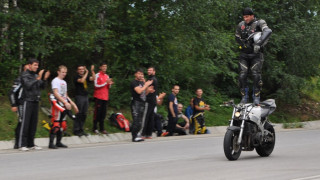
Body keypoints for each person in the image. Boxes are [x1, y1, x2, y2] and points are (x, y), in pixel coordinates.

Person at [235, 7, 272, 105]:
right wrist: (243, 43)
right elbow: (237, 36)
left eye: (247, 17)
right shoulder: (241, 25)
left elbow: (268, 31)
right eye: (244, 17)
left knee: (256, 74)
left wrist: (258, 44)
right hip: (244, 54)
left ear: (252, 16)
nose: (245, 19)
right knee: (242, 74)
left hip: (256, 54)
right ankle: (244, 97)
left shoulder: (260, 22)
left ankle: (256, 97)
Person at [19, 58, 50, 151]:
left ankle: (31, 143)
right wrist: (37, 78)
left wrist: (44, 79)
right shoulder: (25, 74)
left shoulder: (36, 75)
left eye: (37, 65)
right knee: (26, 123)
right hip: (27, 101)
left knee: (33, 123)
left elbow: (42, 87)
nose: (36, 67)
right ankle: (22, 144)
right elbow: (28, 85)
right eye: (35, 65)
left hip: (36, 101)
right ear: (29, 65)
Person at [49, 65, 78, 149]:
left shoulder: (64, 82)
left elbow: (65, 95)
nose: (64, 74)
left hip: (64, 103)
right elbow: (56, 93)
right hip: (57, 103)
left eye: (65, 72)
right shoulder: (55, 81)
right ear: (58, 72)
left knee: (63, 124)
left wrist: (73, 104)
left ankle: (58, 142)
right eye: (62, 72)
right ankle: (51, 143)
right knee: (56, 124)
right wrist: (64, 102)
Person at [130, 68, 154, 142]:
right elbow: (139, 91)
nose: (141, 75)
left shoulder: (142, 83)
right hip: (136, 103)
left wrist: (148, 90)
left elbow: (144, 93)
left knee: (140, 121)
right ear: (135, 74)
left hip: (142, 102)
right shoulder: (134, 82)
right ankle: (134, 137)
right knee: (136, 120)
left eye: (142, 74)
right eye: (139, 74)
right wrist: (146, 84)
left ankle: (137, 134)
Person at [8, 64, 28, 149]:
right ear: (24, 70)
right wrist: (14, 104)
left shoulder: (31, 79)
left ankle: (26, 142)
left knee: (27, 123)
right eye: (27, 69)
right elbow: (12, 92)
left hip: (29, 104)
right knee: (21, 122)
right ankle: (17, 143)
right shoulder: (20, 79)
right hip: (21, 104)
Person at [73, 65, 95, 136]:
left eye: (83, 69)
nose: (82, 70)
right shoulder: (76, 77)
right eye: (80, 69)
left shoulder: (86, 76)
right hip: (79, 96)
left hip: (85, 96)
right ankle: (76, 129)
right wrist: (87, 72)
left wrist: (92, 71)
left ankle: (81, 129)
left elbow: (93, 78)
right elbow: (82, 80)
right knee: (79, 113)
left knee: (84, 114)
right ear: (77, 71)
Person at [93, 63, 114, 134]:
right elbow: (96, 85)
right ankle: (95, 128)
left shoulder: (107, 76)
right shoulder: (97, 75)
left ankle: (102, 128)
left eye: (106, 66)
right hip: (99, 97)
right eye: (103, 66)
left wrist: (110, 84)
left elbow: (108, 87)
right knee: (97, 113)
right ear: (100, 67)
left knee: (103, 114)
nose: (105, 68)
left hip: (105, 97)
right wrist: (105, 83)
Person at [142, 67, 158, 139]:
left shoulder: (152, 79)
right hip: (153, 100)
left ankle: (143, 133)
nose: (148, 71)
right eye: (148, 70)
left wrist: (144, 82)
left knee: (146, 117)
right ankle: (149, 134)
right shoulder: (152, 79)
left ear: (154, 72)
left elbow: (147, 88)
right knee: (151, 117)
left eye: (150, 70)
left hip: (149, 100)